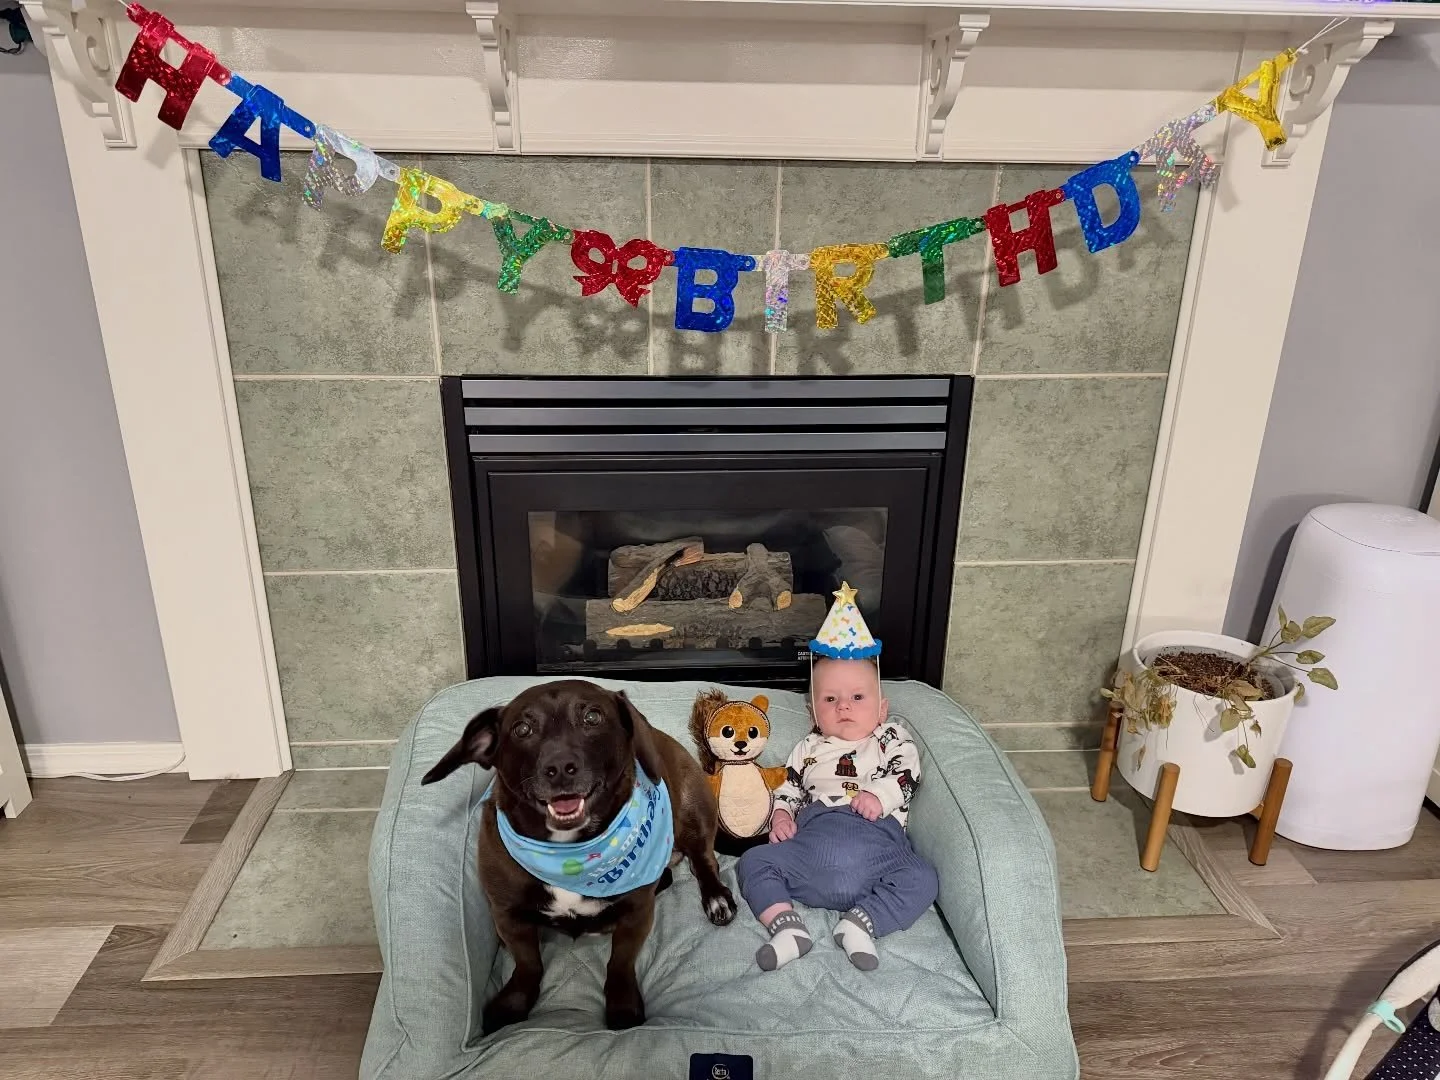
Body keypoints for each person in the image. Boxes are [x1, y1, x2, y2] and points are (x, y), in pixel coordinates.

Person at [736, 583, 939, 972]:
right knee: (754, 861)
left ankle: (861, 923)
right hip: (813, 842)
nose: (844, 706)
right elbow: (788, 786)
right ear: (814, 712)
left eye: (857, 698)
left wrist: (879, 795)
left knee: (923, 878)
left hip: (876, 843)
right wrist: (781, 815)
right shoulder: (809, 746)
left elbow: (907, 770)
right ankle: (786, 927)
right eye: (830, 699)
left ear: (882, 709)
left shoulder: (889, 736)